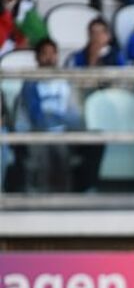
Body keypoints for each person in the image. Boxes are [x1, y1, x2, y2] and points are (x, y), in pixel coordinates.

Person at [14, 38, 87, 192]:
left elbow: (75, 115)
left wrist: (63, 125)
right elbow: (32, 118)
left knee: (66, 149)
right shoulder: (29, 84)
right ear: (37, 57)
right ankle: (42, 195)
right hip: (37, 133)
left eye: (52, 53)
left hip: (64, 132)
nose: (49, 57)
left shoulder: (66, 82)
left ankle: (67, 194)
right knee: (46, 147)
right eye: (44, 53)